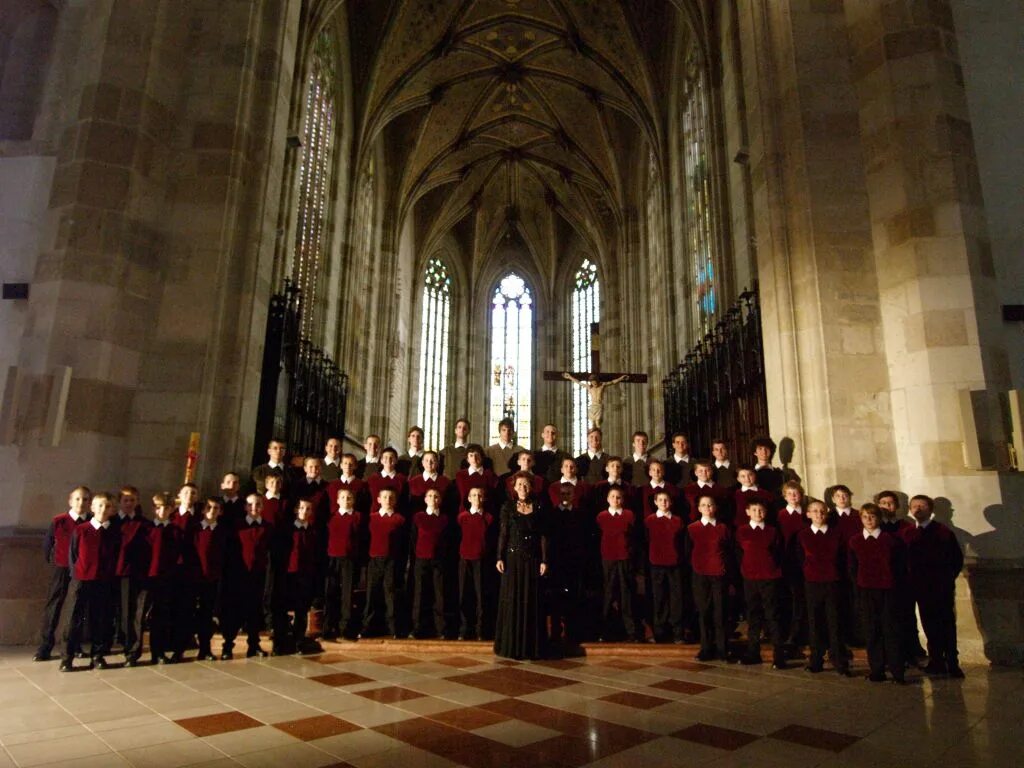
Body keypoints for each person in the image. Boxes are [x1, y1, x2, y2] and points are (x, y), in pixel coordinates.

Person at [900, 494, 964, 678]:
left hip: (940, 586)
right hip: (920, 587)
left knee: (946, 624)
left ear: (930, 509)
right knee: (929, 624)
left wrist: (947, 578)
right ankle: (936, 660)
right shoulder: (908, 533)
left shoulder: (943, 532)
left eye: (922, 506)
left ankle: (952, 662)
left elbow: (955, 559)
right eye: (914, 506)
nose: (918, 509)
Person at [60, 492, 119, 671]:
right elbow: (73, 555)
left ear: (112, 510)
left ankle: (98, 655)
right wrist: (77, 574)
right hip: (81, 580)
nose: (103, 509)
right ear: (92, 508)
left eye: (107, 506)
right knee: (73, 619)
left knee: (100, 619)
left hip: (103, 581)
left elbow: (115, 557)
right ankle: (67, 657)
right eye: (99, 505)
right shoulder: (81, 530)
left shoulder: (114, 533)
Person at [848, 503, 905, 683]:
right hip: (866, 591)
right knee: (872, 632)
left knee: (891, 632)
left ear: (879, 518)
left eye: (872, 516)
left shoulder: (891, 540)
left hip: (889, 591)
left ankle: (897, 672)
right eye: (865, 517)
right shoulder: (855, 541)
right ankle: (877, 670)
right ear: (861, 519)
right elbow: (852, 568)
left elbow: (900, 567)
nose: (869, 520)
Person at [494, 472, 549, 660]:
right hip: (512, 559)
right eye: (519, 485)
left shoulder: (539, 506)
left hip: (533, 560)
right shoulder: (507, 507)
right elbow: (503, 534)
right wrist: (499, 557)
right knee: (513, 599)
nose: (523, 488)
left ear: (531, 487)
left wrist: (544, 560)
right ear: (514, 487)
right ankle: (512, 646)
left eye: (526, 485)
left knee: (531, 600)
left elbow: (543, 535)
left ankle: (531, 648)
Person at [35, 486, 91, 662]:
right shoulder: (59, 521)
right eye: (77, 499)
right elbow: (48, 544)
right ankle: (45, 646)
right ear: (70, 500)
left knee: (78, 608)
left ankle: (74, 645)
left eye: (85, 499)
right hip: (61, 568)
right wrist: (54, 562)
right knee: (54, 605)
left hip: (81, 571)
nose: (81, 503)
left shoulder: (91, 522)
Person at [797, 500, 851, 676]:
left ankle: (839, 660)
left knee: (835, 622)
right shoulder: (802, 535)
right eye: (815, 511)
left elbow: (844, 559)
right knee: (815, 623)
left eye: (822, 511)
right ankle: (816, 660)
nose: (819, 514)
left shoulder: (837, 534)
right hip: (812, 583)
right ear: (808, 514)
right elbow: (798, 561)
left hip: (833, 582)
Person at [734, 500, 786, 668]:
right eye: (754, 510)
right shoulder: (742, 531)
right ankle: (752, 652)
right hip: (750, 578)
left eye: (761, 510)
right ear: (748, 512)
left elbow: (778, 552)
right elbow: (738, 554)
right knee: (753, 616)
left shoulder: (772, 531)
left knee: (773, 615)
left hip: (769, 577)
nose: (758, 513)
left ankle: (779, 655)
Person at [221, 493, 271, 659]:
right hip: (238, 575)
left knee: (254, 611)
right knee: (234, 610)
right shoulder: (237, 526)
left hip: (258, 575)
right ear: (245, 507)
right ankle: (228, 645)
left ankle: (253, 645)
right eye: (250, 504)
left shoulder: (267, 527)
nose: (254, 508)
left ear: (262, 507)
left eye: (257, 505)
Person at [687, 496, 732, 661]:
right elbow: (688, 551)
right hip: (700, 574)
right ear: (699, 508)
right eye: (704, 505)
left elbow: (728, 551)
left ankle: (722, 648)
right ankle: (706, 648)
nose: (707, 508)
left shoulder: (723, 528)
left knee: (720, 612)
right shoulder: (692, 528)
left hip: (719, 574)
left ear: (715, 507)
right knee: (704, 612)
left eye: (711, 504)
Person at [362, 488, 406, 638]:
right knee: (371, 594)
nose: (388, 500)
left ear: (395, 501)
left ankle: (394, 629)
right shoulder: (371, 518)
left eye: (391, 497)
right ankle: (367, 627)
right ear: (379, 500)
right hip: (374, 560)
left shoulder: (399, 519)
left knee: (391, 594)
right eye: (385, 497)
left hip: (391, 561)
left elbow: (403, 544)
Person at [596, 487, 639, 642]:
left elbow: (635, 537)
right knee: (608, 594)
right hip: (608, 559)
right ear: (608, 499)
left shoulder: (629, 515)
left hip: (625, 559)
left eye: (619, 497)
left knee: (626, 595)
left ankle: (631, 632)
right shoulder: (601, 516)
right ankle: (604, 632)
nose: (616, 499)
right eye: (613, 497)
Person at [115, 485, 151, 666]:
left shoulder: (144, 524)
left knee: (136, 613)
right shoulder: (112, 522)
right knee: (120, 612)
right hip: (115, 574)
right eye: (126, 500)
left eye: (132, 500)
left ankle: (133, 650)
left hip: (137, 574)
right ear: (119, 502)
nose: (129, 503)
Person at [646, 490, 686, 644]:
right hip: (656, 564)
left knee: (676, 599)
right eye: (660, 500)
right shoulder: (649, 520)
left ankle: (678, 633)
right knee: (659, 599)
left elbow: (683, 544)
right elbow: (645, 541)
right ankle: (660, 633)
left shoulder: (678, 520)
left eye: (666, 500)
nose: (663, 503)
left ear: (671, 502)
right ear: (656, 502)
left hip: (675, 565)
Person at [280, 498, 320, 654]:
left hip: (306, 575)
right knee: (286, 607)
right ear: (296, 510)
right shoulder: (287, 530)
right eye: (302, 508)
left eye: (308, 509)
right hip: (290, 574)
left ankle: (299, 639)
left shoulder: (313, 531)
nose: (304, 511)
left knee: (302, 609)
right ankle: (285, 638)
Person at [409, 488, 449, 639]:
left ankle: (441, 630)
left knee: (440, 596)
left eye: (436, 496)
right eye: (430, 496)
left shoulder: (445, 519)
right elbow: (413, 540)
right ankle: (417, 628)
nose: (433, 498)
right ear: (425, 499)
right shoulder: (418, 517)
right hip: (421, 560)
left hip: (439, 562)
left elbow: (447, 541)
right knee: (419, 594)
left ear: (440, 500)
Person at [147, 494, 181, 664]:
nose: (162, 511)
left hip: (166, 578)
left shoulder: (175, 530)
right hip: (147, 578)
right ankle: (133, 652)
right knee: (141, 615)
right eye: (159, 507)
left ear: (171, 510)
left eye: (166, 508)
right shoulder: (146, 528)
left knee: (161, 615)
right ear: (154, 509)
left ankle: (158, 651)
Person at [324, 487, 361, 640]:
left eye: (349, 498)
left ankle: (345, 627)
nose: (346, 500)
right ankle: (328, 627)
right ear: (338, 500)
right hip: (332, 559)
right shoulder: (331, 517)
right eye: (343, 497)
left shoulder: (358, 517)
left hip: (349, 560)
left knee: (347, 595)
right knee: (330, 593)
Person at [457, 487, 494, 640]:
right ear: (469, 498)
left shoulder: (489, 518)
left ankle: (481, 630)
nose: (477, 498)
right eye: (473, 495)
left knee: (481, 597)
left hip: (482, 560)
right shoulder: (461, 517)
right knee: (465, 595)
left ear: (483, 498)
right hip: (465, 560)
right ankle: (465, 629)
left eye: (480, 495)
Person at [193, 498, 227, 662]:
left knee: (207, 616)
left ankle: (205, 649)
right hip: (194, 578)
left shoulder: (222, 532)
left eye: (216, 508)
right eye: (209, 507)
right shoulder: (195, 529)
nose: (212, 510)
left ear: (220, 511)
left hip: (212, 579)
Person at [777, 481, 809, 648]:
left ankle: (803, 633)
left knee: (804, 599)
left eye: (796, 493)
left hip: (806, 563)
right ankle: (790, 634)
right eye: (790, 494)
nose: (793, 496)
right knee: (790, 599)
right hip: (787, 562)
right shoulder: (780, 515)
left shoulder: (808, 514)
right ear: (784, 496)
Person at [829, 484, 862, 647]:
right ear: (833, 499)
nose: (842, 499)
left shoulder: (859, 516)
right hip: (835, 566)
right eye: (838, 496)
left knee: (856, 601)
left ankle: (856, 635)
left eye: (845, 495)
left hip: (856, 565)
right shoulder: (828, 517)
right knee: (838, 602)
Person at [561, 372, 628, 428]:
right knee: (592, 424)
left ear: (597, 381)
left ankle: (598, 433)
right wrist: (569, 377)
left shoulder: (602, 385)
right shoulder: (589, 387)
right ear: (591, 382)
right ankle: (593, 434)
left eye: (595, 383)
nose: (594, 384)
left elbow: (613, 382)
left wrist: (621, 378)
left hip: (599, 406)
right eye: (593, 383)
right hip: (593, 406)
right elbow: (578, 382)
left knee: (598, 422)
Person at [455, 444, 499, 510]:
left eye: (477, 455)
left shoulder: (490, 475)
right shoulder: (460, 475)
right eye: (471, 455)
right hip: (465, 513)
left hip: (486, 512)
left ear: (482, 457)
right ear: (467, 459)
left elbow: (492, 497)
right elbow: (459, 497)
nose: (474, 458)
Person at [367, 447, 408, 517]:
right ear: (381, 460)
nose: (388, 460)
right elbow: (368, 500)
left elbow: (405, 501)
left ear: (396, 460)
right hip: (375, 516)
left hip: (396, 516)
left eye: (391, 457)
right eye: (385, 457)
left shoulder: (402, 479)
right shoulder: (372, 479)